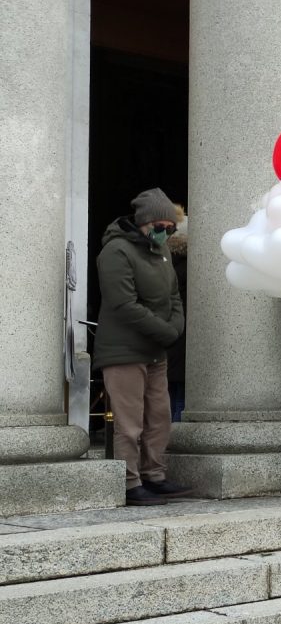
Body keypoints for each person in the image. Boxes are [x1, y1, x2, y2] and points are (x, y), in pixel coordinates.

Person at [94, 188, 190, 506]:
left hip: (155, 351)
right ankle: (130, 481)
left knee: (159, 416)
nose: (166, 233)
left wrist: (176, 326)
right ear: (144, 223)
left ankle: (154, 474)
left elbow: (173, 296)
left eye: (171, 228)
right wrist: (165, 330)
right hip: (124, 351)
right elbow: (123, 303)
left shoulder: (161, 253)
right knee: (129, 420)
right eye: (160, 227)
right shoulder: (116, 251)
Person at [166, 207, 188, 422]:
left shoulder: (162, 265)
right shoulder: (190, 267)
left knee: (169, 394)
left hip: (168, 336)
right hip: (185, 337)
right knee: (182, 397)